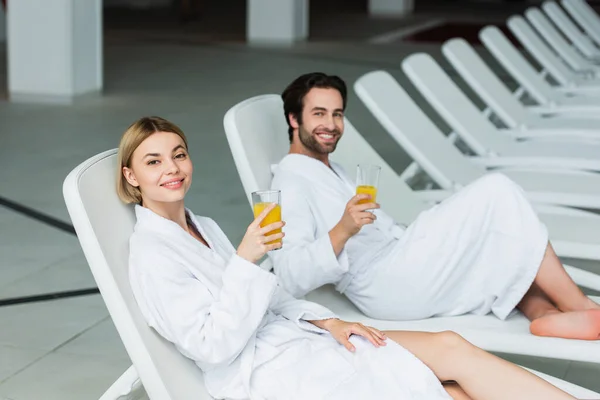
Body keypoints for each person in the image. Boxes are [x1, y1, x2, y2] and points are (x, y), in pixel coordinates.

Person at [117, 116, 575, 400]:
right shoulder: (152, 254)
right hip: (268, 374)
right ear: (131, 176)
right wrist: (244, 260)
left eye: (178, 155)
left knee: (450, 349)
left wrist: (328, 323)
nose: (172, 169)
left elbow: (273, 299)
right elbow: (210, 347)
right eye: (153, 162)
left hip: (297, 339)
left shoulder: (204, 225)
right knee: (447, 386)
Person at [269, 72, 600, 341]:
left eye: (337, 114)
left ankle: (544, 314)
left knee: (493, 240)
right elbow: (290, 275)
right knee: (496, 192)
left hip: (401, 254)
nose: (331, 124)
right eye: (318, 114)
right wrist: (342, 230)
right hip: (388, 283)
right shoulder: (290, 181)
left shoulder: (329, 169)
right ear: (294, 119)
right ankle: (580, 306)